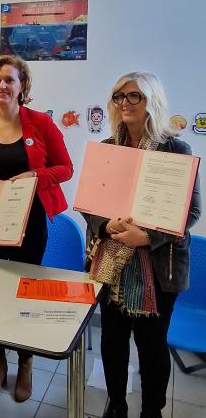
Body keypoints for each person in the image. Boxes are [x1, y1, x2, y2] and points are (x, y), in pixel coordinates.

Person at [83, 72, 201, 418]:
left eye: (134, 96)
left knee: (152, 348)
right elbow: (90, 206)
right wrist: (105, 224)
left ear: (152, 101)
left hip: (159, 268)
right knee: (112, 343)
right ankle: (116, 403)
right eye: (119, 96)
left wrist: (147, 237)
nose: (125, 104)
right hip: (111, 265)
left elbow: (190, 210)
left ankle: (152, 409)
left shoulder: (176, 149)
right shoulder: (107, 150)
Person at [0, 55, 73, 403]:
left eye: (9, 80)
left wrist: (36, 175)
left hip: (31, 222)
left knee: (25, 292)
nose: (2, 86)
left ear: (22, 86)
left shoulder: (41, 123)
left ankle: (25, 362)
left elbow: (66, 168)